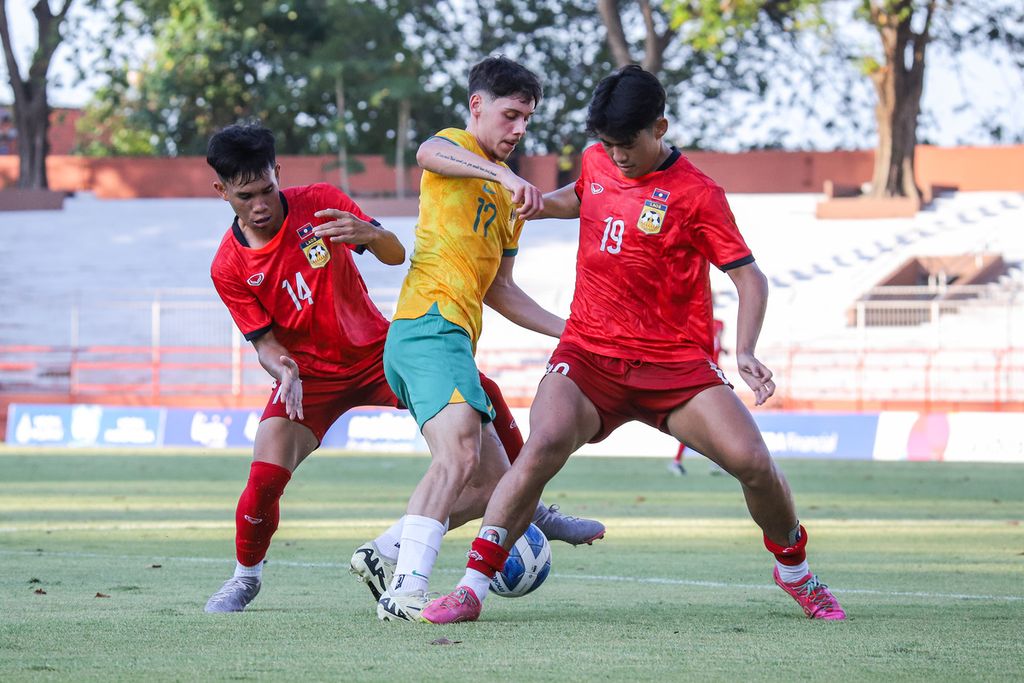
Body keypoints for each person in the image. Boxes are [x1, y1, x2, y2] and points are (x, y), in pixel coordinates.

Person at [423, 66, 846, 624]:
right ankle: (471, 588)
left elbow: (750, 277)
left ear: (660, 127)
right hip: (589, 354)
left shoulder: (699, 194)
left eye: (628, 144)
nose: (617, 156)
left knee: (754, 464)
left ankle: (794, 569)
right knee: (540, 448)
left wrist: (745, 351)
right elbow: (583, 195)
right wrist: (538, 204)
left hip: (674, 367)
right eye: (609, 145)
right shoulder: (598, 160)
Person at [201, 124, 603, 614]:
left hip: (376, 352)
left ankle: (532, 506)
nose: (260, 204)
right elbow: (265, 343)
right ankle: (246, 578)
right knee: (263, 478)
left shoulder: (318, 201)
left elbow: (396, 257)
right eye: (246, 196)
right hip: (309, 379)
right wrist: (281, 369)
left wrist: (369, 234)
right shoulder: (228, 265)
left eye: (267, 189)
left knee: (481, 390)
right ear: (222, 191)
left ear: (277, 173)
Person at [368, 56, 597, 623]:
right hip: (427, 325)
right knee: (459, 456)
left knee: (491, 483)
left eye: (528, 119)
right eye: (510, 114)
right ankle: (406, 592)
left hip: (451, 340)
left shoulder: (508, 203)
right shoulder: (454, 150)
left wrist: (574, 332)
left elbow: (502, 291)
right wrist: (505, 174)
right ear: (478, 107)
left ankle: (383, 553)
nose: (519, 129)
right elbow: (426, 152)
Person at [669, 316, 725, 476]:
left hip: (713, 377)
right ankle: (678, 462)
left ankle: (715, 463)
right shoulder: (694, 323)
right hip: (702, 378)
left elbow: (717, 345)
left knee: (713, 423)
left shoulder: (718, 324)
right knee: (700, 425)